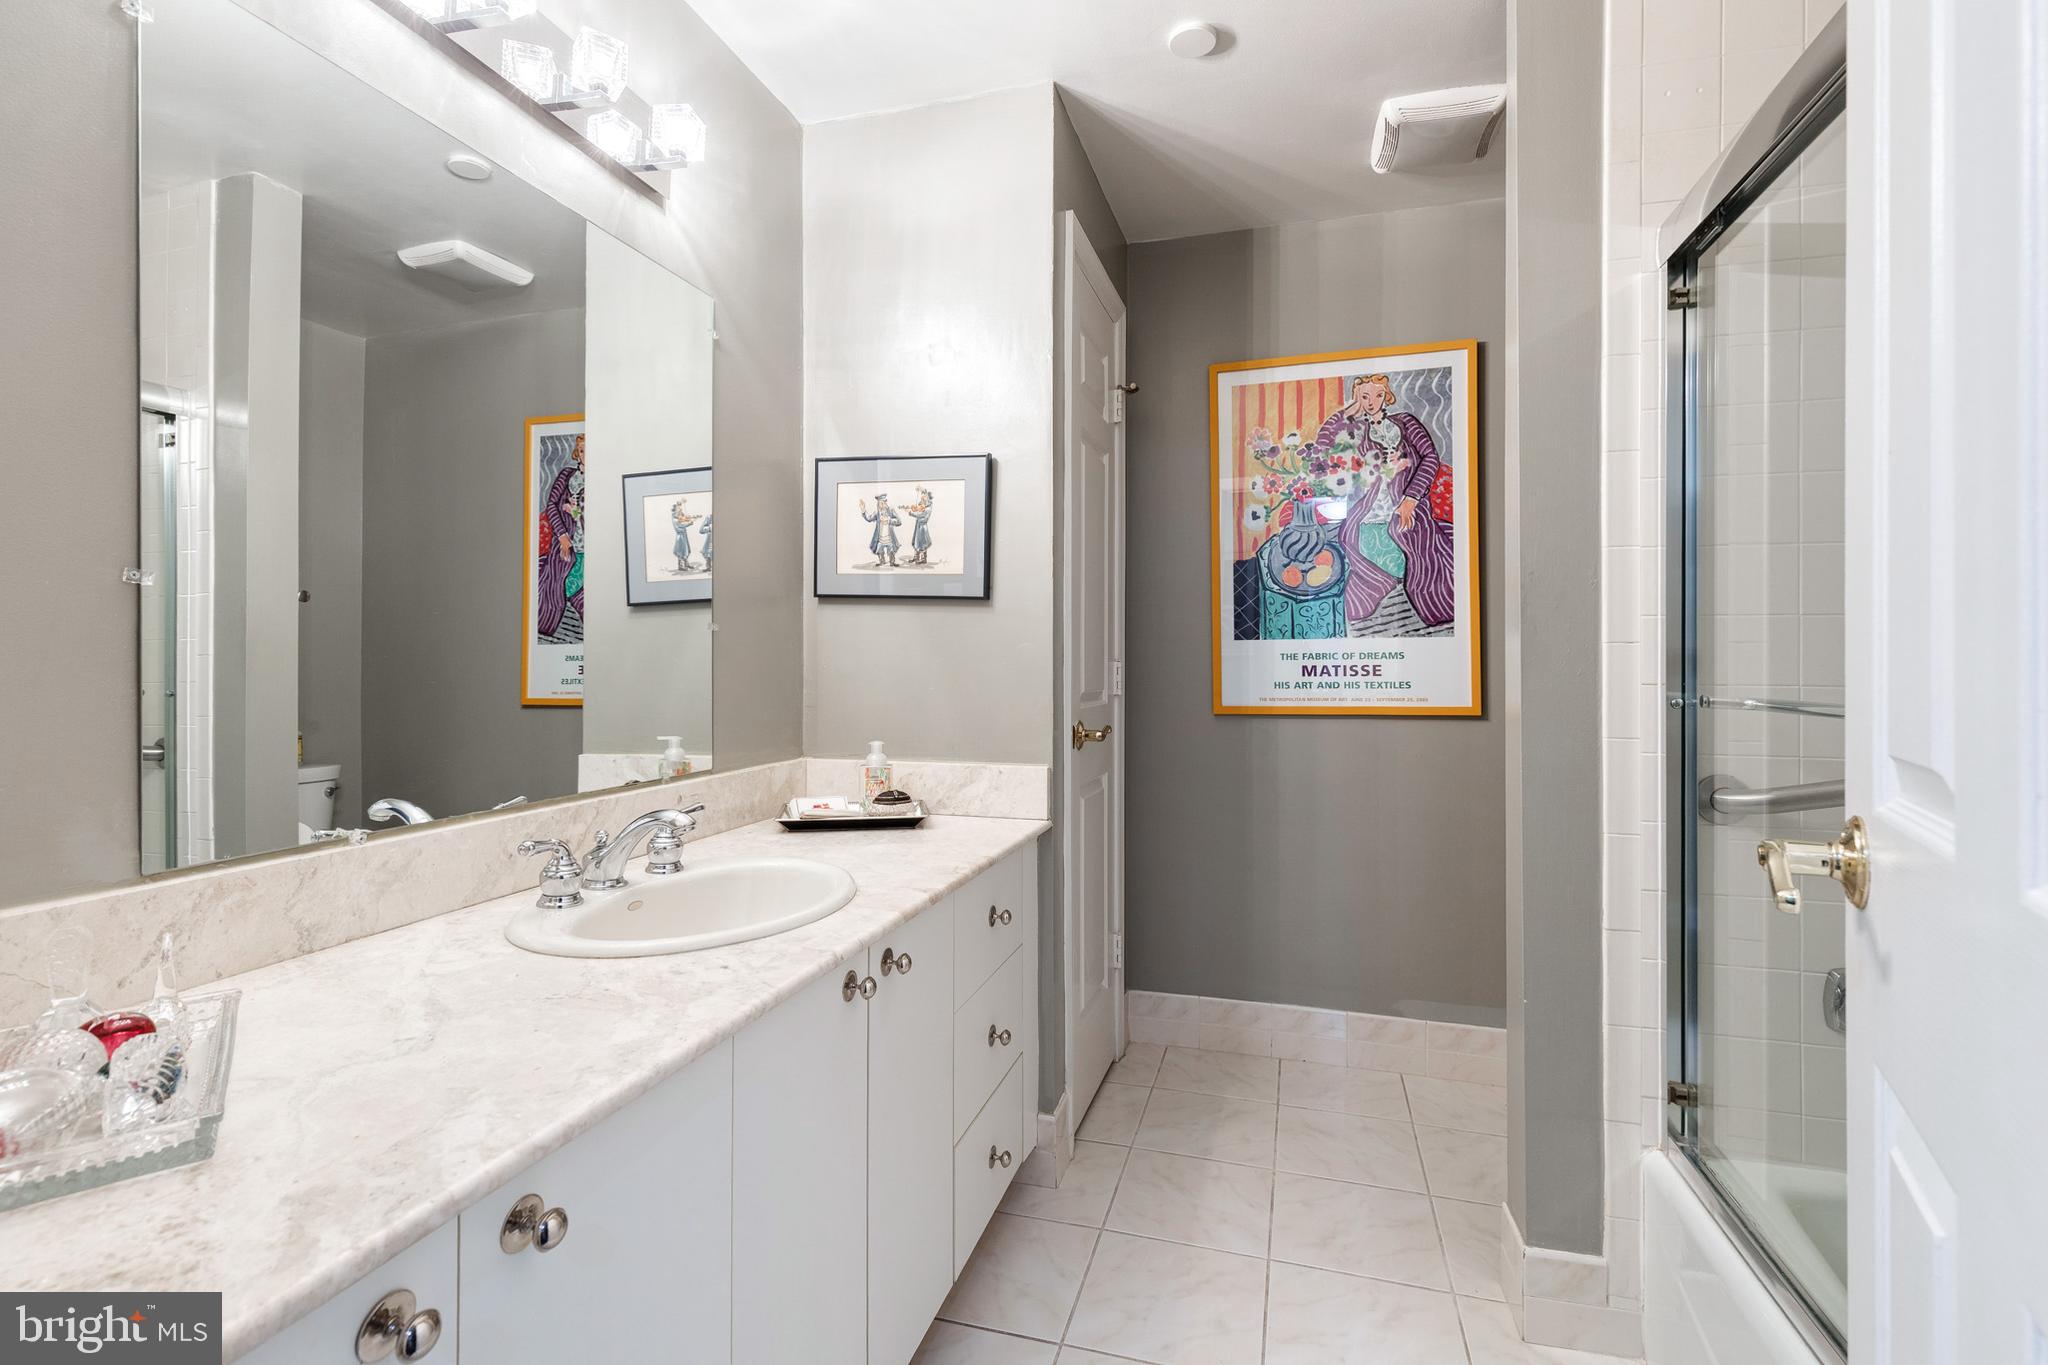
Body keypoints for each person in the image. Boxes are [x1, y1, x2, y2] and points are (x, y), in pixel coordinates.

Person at [1305, 375, 1455, 630]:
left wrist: (1411, 497)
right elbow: (1322, 448)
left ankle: (1434, 599)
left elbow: (1430, 457)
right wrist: (1349, 411)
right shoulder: (1358, 430)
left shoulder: (1405, 422)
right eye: (1364, 397)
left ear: (1387, 396)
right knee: (1348, 535)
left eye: (1377, 395)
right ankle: (1378, 583)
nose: (1371, 402)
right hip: (1371, 502)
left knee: (1407, 532)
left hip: (1409, 499)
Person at [536, 433, 586, 639]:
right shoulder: (566, 475)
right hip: (567, 543)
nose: (586, 455)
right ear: (577, 454)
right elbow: (552, 506)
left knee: (574, 587)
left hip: (592, 547)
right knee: (557, 582)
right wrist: (563, 535)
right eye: (582, 451)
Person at [860, 492, 902, 567]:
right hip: (880, 538)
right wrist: (863, 510)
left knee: (891, 550)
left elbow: (899, 521)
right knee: (880, 550)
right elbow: (869, 519)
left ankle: (892, 562)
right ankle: (881, 561)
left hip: (889, 537)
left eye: (882, 503)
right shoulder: (877, 512)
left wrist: (889, 520)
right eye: (879, 503)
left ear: (886, 503)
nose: (881, 505)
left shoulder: (891, 510)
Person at [904, 487, 935, 565]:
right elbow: (919, 508)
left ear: (927, 499)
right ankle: (916, 557)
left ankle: (923, 559)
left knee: (922, 543)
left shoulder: (927, 509)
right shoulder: (924, 505)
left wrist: (911, 513)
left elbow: (920, 514)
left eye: (924, 499)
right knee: (916, 542)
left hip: (922, 528)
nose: (922, 501)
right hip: (918, 526)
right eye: (922, 499)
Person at [671, 500, 699, 573]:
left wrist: (693, 517)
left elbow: (685, 517)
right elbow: (680, 526)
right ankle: (681, 566)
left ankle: (686, 564)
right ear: (675, 510)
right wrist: (689, 523)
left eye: (681, 509)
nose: (680, 511)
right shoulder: (675, 519)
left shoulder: (679, 516)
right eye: (679, 509)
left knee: (686, 549)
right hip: (680, 537)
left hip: (684, 535)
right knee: (681, 550)